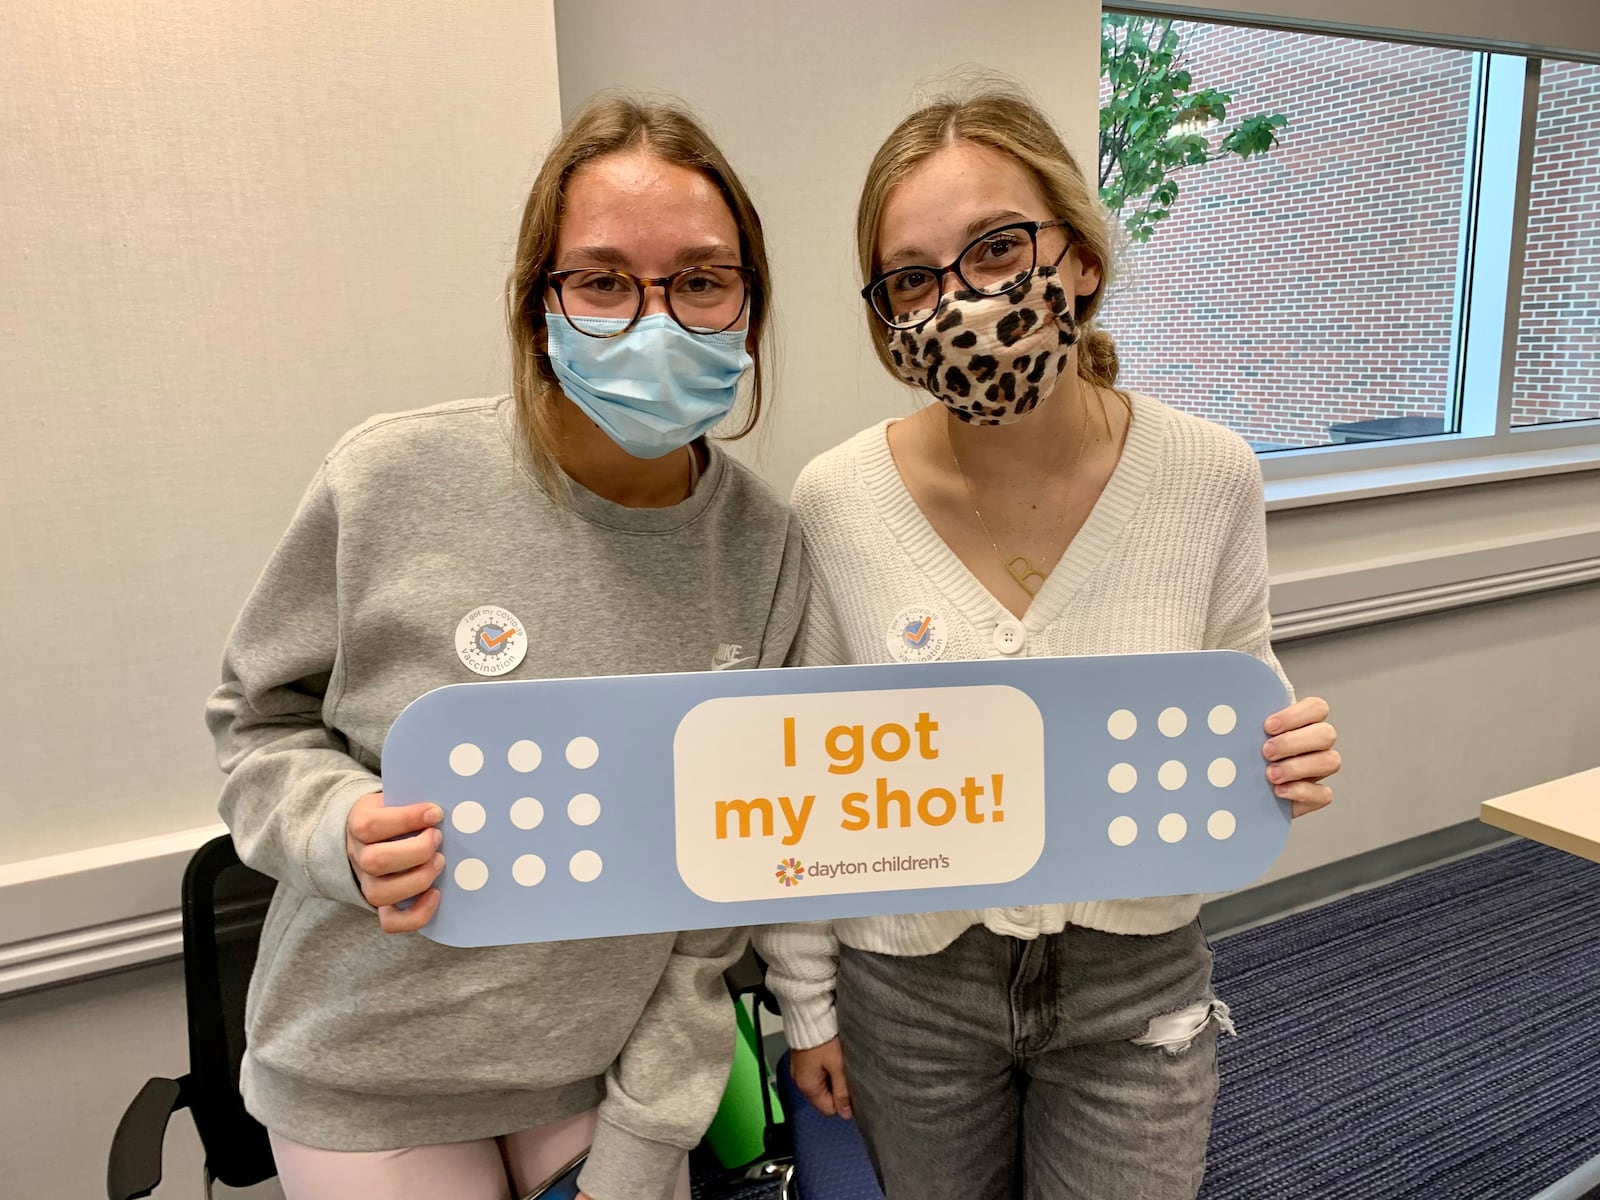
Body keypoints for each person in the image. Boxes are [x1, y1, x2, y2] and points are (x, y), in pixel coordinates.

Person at [206, 94, 811, 1200]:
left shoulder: (765, 546)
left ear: (750, 310)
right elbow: (257, 729)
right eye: (601, 280)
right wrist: (340, 826)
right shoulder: (388, 481)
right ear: (539, 307)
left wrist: (646, 1131)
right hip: (365, 1074)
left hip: (602, 1071)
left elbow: (722, 889)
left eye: (700, 280)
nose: (655, 321)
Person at [757, 89, 1341, 1200]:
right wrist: (807, 1005)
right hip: (909, 979)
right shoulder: (837, 500)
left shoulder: (1207, 474)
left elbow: (1239, 683)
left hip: (1135, 973)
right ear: (888, 313)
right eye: (916, 277)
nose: (963, 297)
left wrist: (1278, 755)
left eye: (997, 248)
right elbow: (806, 780)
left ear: (1075, 253)